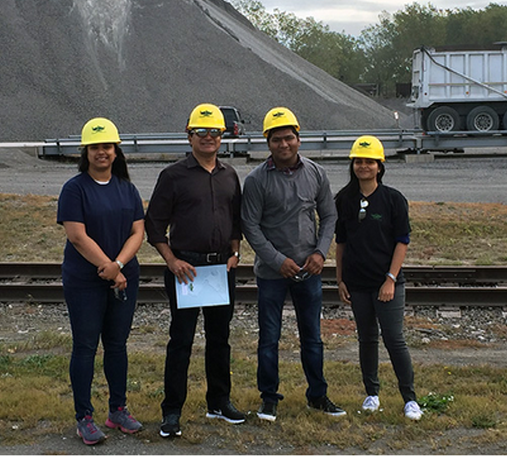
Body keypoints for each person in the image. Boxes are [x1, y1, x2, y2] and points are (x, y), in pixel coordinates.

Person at [145, 103, 245, 438]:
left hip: (220, 269)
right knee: (181, 342)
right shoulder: (172, 176)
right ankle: (172, 411)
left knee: (220, 339)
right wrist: (171, 261)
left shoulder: (230, 175)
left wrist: (236, 252)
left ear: (222, 136)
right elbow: (154, 226)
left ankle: (219, 402)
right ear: (189, 136)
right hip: (185, 269)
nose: (208, 138)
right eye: (201, 132)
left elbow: (236, 222)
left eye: (214, 132)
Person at [241, 106, 345, 422]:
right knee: (268, 339)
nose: (283, 145)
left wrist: (320, 252)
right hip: (272, 274)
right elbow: (250, 226)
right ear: (267, 143)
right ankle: (269, 398)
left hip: (309, 271)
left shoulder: (315, 173)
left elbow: (329, 215)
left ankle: (317, 395)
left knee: (312, 337)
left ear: (299, 139)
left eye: (288, 138)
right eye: (276, 140)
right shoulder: (257, 180)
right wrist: (277, 260)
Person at [57, 117, 145, 445]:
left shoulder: (128, 188)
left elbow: (139, 231)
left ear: (116, 150)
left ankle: (117, 410)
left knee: (117, 346)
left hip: (123, 278)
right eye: (95, 147)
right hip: (85, 281)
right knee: (85, 346)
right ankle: (84, 417)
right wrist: (108, 266)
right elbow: (77, 236)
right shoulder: (74, 189)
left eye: (107, 146)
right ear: (86, 152)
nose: (101, 153)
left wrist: (119, 265)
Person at [334, 135, 423, 421]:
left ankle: (409, 398)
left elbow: (402, 241)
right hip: (357, 283)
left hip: (386, 283)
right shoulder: (344, 199)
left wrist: (390, 279)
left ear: (379, 166)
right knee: (367, 339)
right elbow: (341, 243)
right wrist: (340, 280)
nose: (363, 166)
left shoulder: (393, 199)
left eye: (369, 162)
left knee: (394, 339)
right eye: (358, 161)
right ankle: (371, 393)